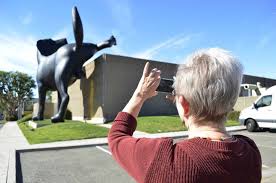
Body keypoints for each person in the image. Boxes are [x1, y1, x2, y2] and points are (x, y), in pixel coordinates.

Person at [108, 48, 262, 183]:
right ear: (231, 101)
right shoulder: (250, 152)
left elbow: (116, 136)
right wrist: (184, 101)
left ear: (184, 104)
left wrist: (140, 95)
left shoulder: (164, 161)